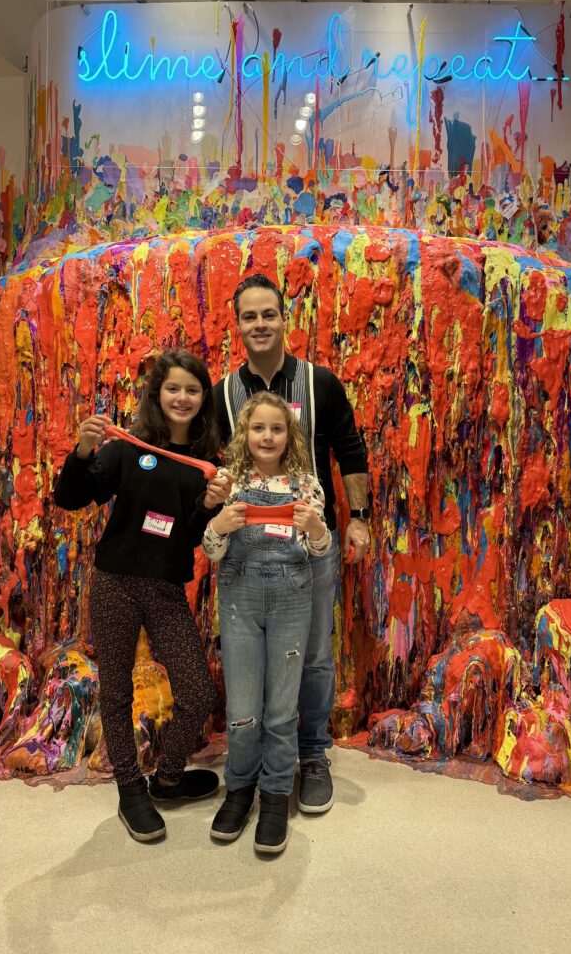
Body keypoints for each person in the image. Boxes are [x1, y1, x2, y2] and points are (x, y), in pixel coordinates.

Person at [54, 349, 231, 843]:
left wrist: (211, 507)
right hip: (115, 581)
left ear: (204, 400)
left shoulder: (205, 465)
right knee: (116, 688)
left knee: (197, 691)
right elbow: (72, 497)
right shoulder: (129, 448)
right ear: (157, 394)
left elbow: (192, 534)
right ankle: (130, 789)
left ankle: (168, 778)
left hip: (166, 588)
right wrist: (84, 451)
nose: (182, 397)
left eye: (192, 390)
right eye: (173, 388)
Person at [213, 273, 370, 815]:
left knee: (316, 658)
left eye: (268, 314)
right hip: (248, 557)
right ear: (238, 325)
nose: (259, 325)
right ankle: (251, 767)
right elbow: (215, 467)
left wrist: (360, 518)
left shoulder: (320, 383)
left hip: (310, 548)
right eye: (249, 317)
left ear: (285, 319)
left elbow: (350, 450)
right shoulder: (222, 394)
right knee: (253, 665)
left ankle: (312, 754)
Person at [203, 392, 332, 854]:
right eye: (259, 428)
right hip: (239, 598)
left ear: (289, 434)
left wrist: (317, 530)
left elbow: (319, 551)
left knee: (280, 708)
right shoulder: (230, 483)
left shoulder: (306, 485)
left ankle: (276, 792)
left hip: (291, 599)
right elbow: (211, 551)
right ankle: (239, 788)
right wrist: (219, 525)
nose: (268, 436)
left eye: (277, 428)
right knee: (242, 708)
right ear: (245, 433)